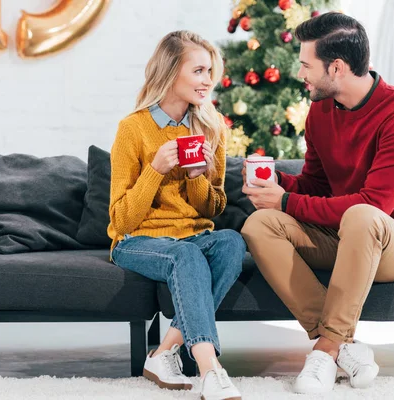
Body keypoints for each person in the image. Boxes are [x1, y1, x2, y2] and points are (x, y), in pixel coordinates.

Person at [240, 12, 394, 394]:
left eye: (306, 65)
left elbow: (374, 205)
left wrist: (286, 201)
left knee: (363, 216)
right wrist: (277, 184)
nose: (301, 74)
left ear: (336, 67)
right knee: (259, 224)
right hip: (344, 237)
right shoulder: (320, 112)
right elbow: (316, 184)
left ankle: (326, 349)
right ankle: (343, 346)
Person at [108, 30, 246, 400]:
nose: (208, 81)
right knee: (185, 254)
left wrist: (198, 177)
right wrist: (155, 169)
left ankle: (164, 350)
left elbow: (213, 210)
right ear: (171, 72)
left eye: (210, 71)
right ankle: (210, 370)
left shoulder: (210, 127)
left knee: (232, 242)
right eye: (199, 71)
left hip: (193, 236)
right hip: (138, 241)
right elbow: (121, 221)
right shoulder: (132, 129)